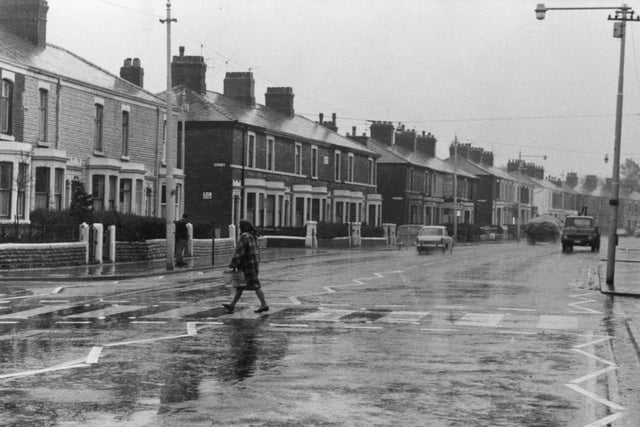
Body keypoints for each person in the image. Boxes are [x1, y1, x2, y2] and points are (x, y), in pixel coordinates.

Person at [223, 219, 269, 314]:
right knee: (240, 286)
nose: (239, 227)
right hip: (253, 264)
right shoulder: (253, 236)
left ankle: (264, 304)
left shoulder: (244, 236)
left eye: (240, 226)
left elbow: (240, 251)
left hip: (247, 265)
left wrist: (234, 263)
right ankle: (232, 305)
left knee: (255, 285)